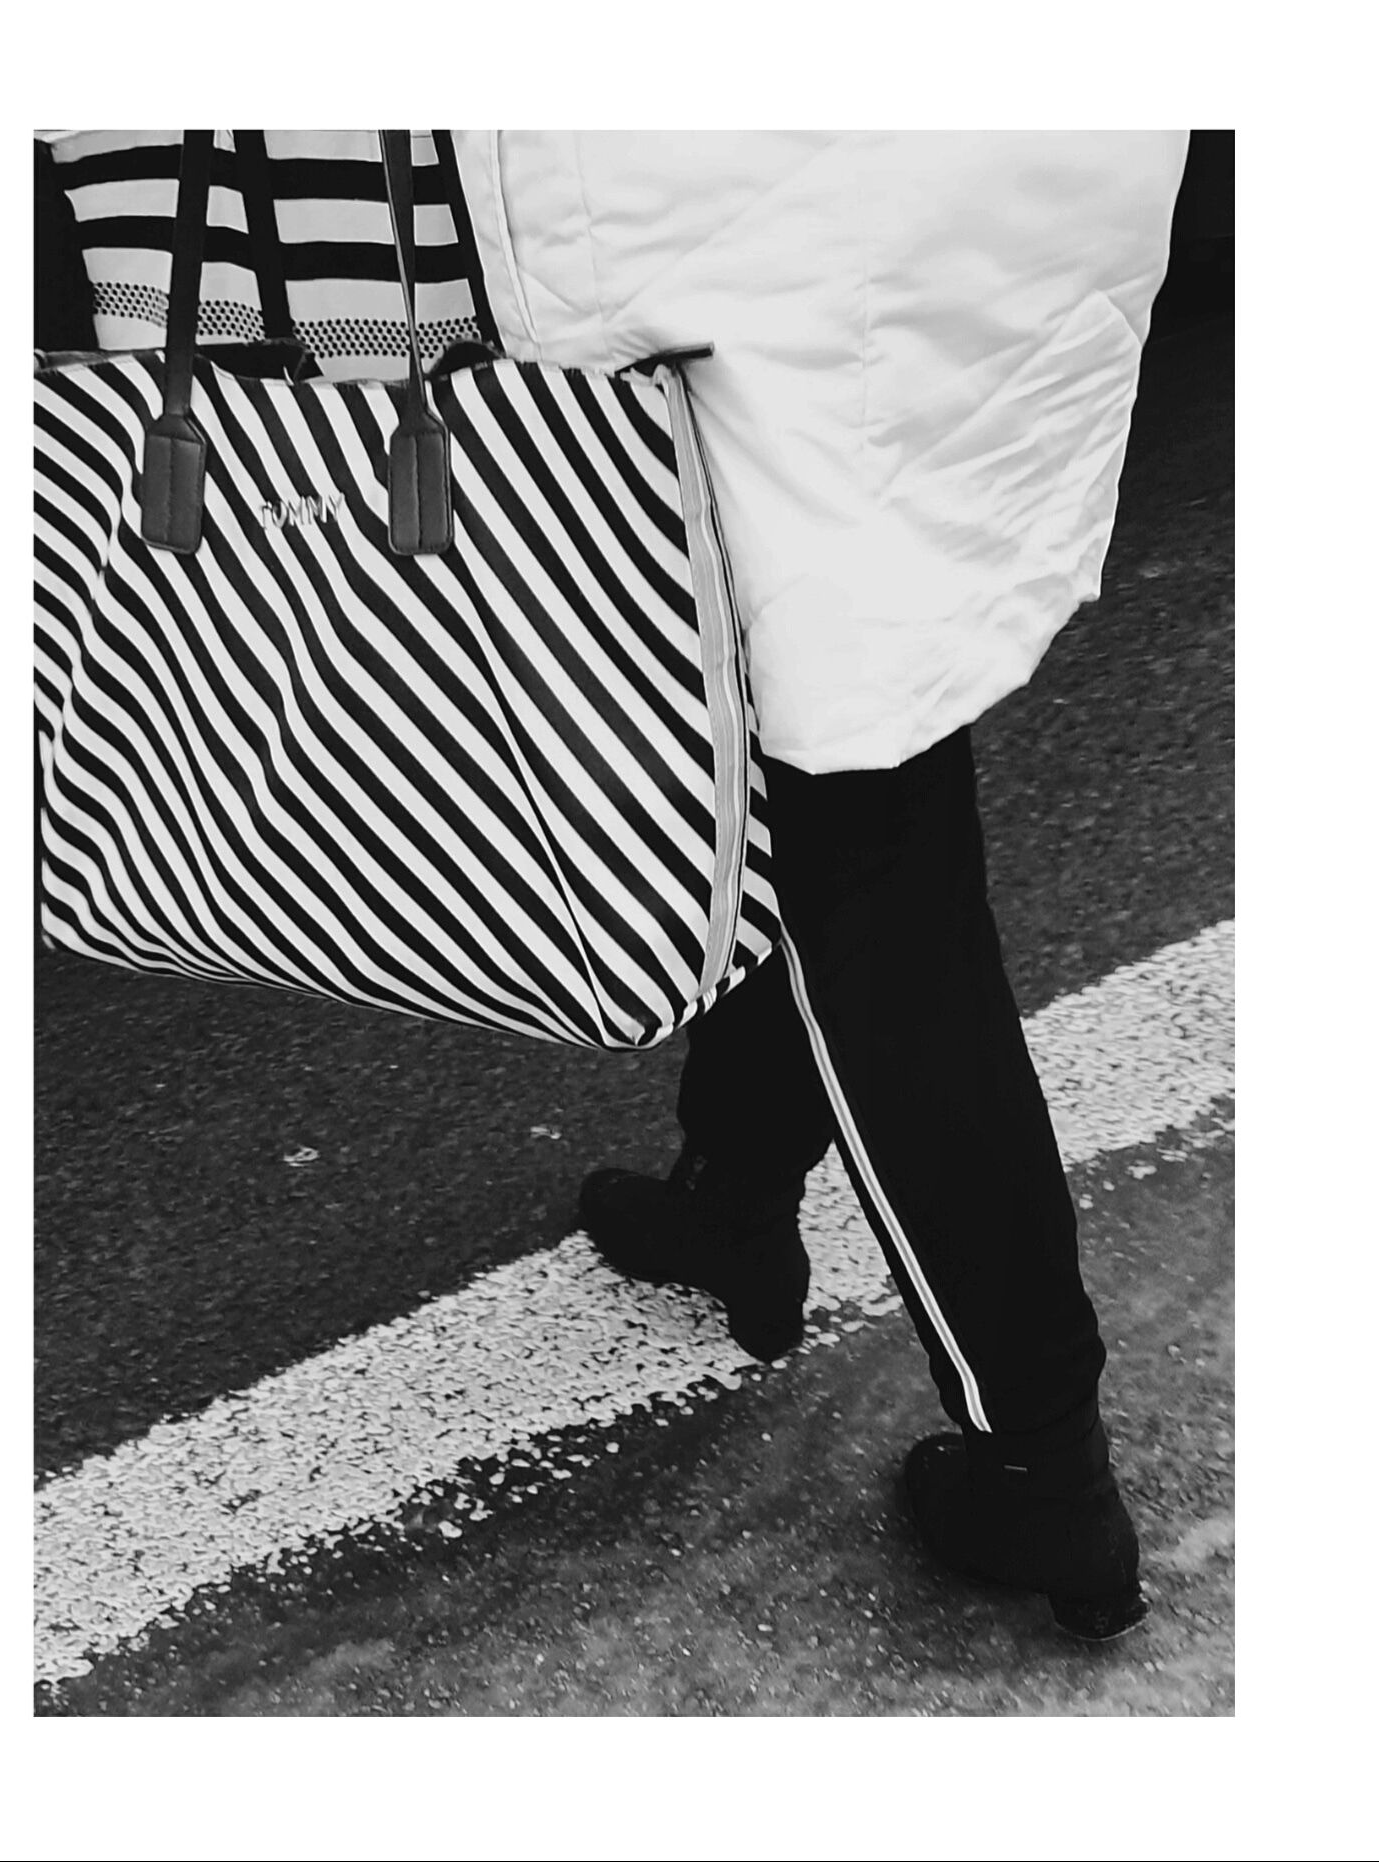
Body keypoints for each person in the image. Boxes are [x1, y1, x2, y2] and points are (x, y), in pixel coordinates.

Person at [451, 130, 1189, 1639]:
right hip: (982, 199)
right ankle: (734, 1192)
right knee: (832, 743)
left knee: (867, 856)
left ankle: (1039, 1456)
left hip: (723, 245)